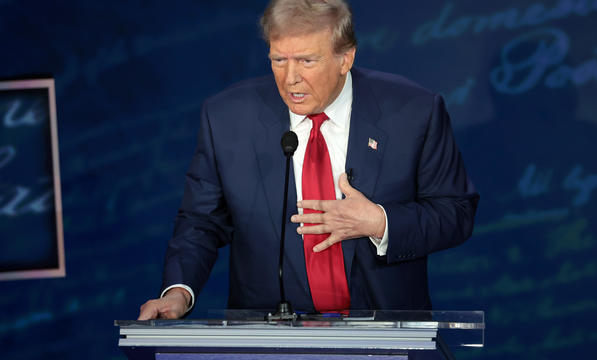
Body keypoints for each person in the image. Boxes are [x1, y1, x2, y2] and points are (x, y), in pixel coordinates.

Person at [138, 0, 478, 320]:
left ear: (345, 58)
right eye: (278, 60)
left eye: (306, 61)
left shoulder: (413, 112)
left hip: (385, 335)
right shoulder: (227, 118)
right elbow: (201, 221)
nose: (290, 79)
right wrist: (179, 291)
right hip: (269, 340)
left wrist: (380, 221)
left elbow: (456, 212)